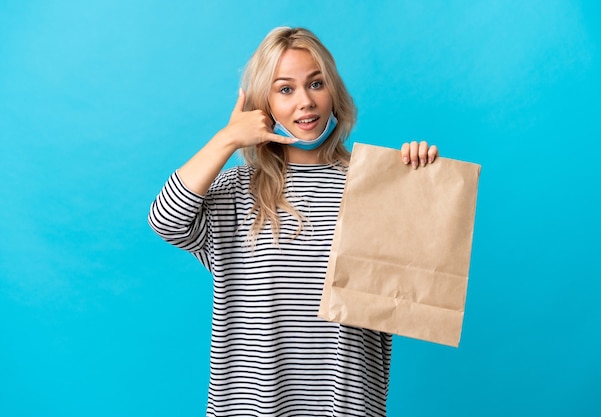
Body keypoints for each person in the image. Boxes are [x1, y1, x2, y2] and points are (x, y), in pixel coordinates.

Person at [148, 26, 438, 417]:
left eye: (316, 84)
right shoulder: (235, 191)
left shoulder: (374, 185)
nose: (305, 101)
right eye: (285, 89)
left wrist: (418, 185)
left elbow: (416, 294)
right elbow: (166, 220)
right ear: (262, 103)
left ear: (332, 91)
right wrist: (228, 139)